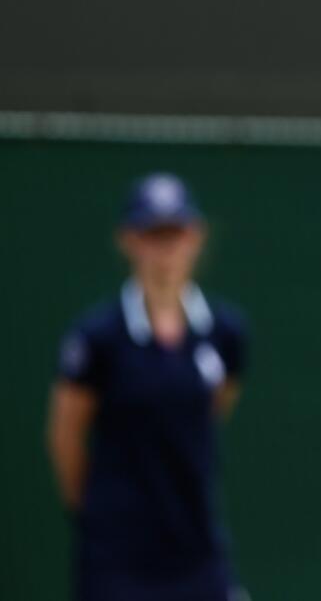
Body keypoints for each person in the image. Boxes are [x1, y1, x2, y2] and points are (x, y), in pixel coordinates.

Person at [46, 173, 248, 601]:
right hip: (116, 560)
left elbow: (214, 410)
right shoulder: (97, 338)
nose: (166, 248)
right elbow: (65, 437)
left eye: (174, 233)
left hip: (198, 552)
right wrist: (102, 518)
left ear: (195, 237)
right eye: (153, 234)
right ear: (129, 240)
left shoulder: (225, 332)